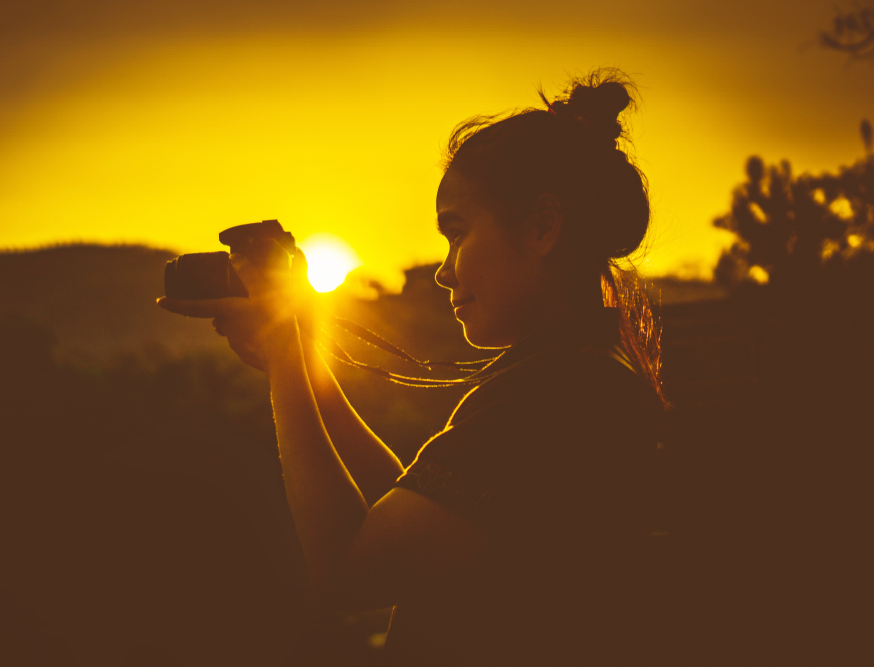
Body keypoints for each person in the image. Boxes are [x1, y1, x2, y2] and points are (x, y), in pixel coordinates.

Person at [158, 69, 667, 665]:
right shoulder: (575, 371)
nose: (444, 270)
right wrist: (293, 364)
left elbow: (349, 573)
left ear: (542, 227)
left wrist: (288, 359)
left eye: (457, 234)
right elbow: (400, 511)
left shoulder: (555, 395)